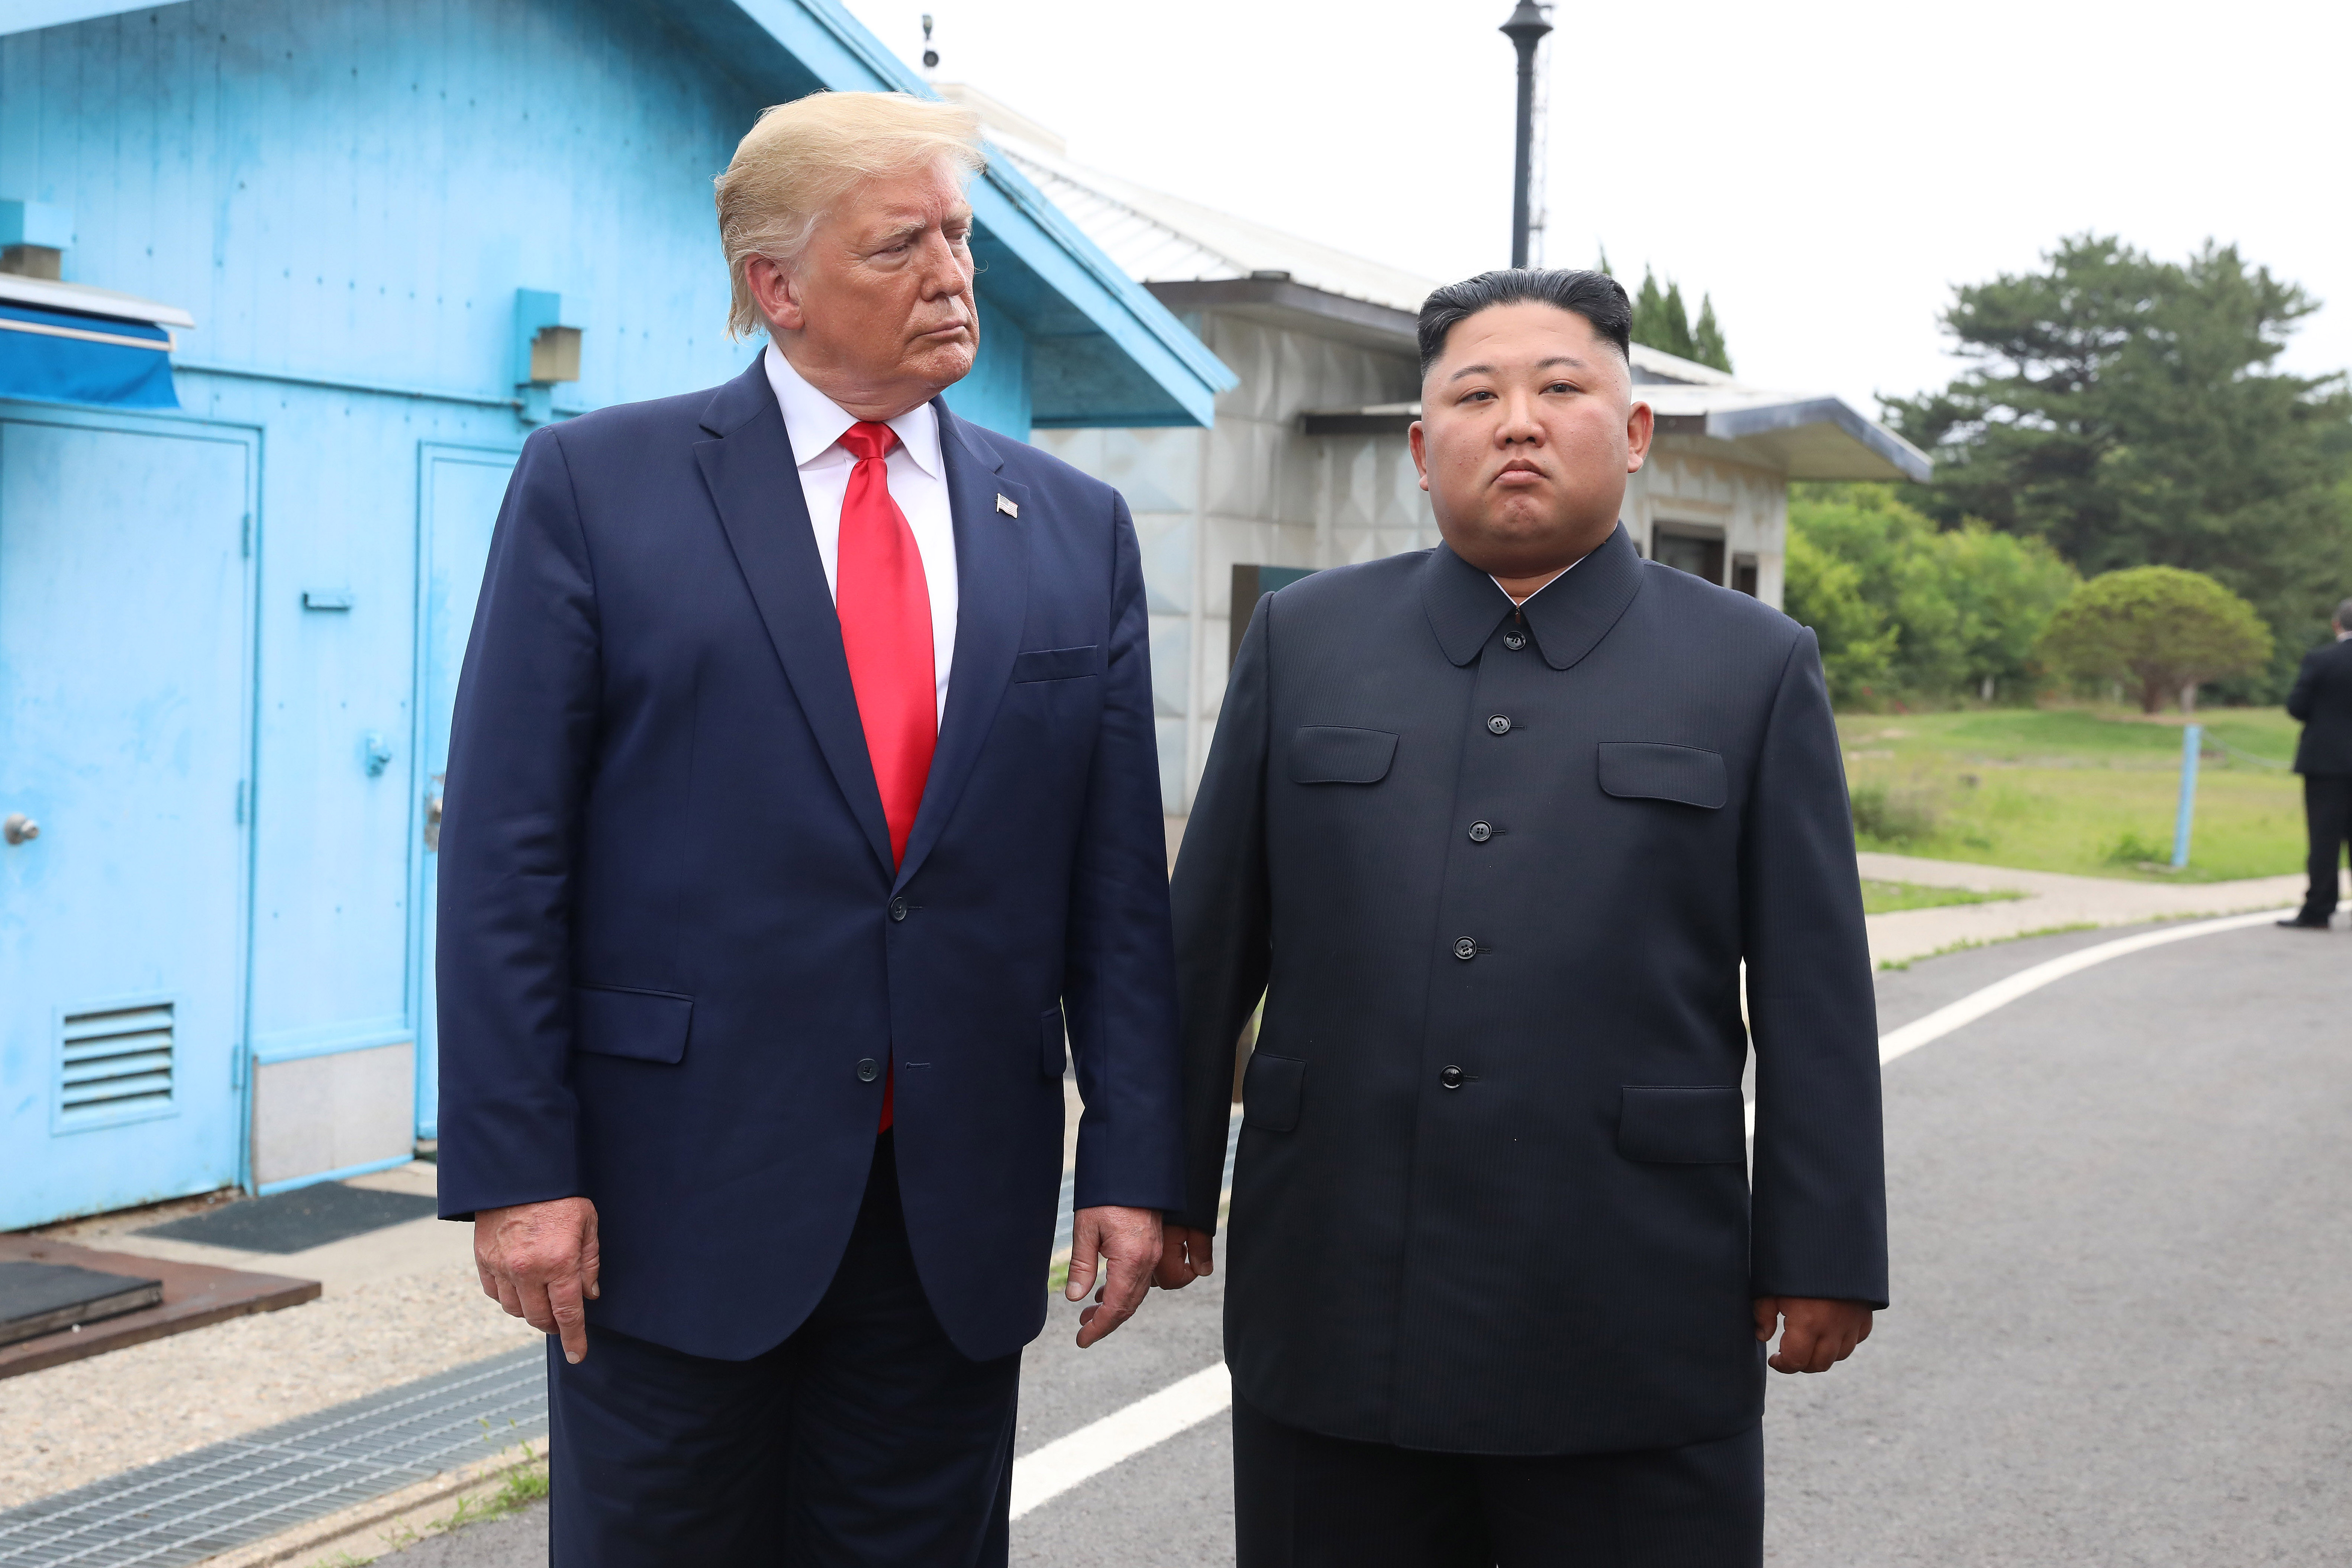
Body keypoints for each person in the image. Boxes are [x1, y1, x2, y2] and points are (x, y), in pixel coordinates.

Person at [434, 92, 1184, 1565]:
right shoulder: (600, 488)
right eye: (901, 243)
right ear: (774, 285)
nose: (953, 274)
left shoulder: (1074, 527)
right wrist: (520, 1170)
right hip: (672, 1200)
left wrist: (1135, 1155)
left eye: (959, 236)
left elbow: (1112, 879)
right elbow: (511, 853)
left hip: (952, 1211)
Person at [1156, 268, 1888, 1567]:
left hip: (1628, 1301)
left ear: (1636, 428)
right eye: (1475, 393)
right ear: (1417, 442)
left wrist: (1823, 1246)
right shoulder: (1304, 639)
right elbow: (1207, 945)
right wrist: (1155, 1186)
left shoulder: (1749, 667)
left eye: (1561, 388)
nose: (1517, 421)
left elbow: (1812, 990)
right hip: (1336, 1291)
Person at [2280, 598, 2352, 929]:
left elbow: (2297, 706)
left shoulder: (2321, 660)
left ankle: (2318, 909)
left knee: (2323, 839)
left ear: (2337, 624)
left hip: (2326, 762)